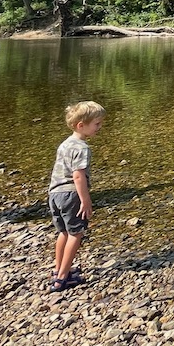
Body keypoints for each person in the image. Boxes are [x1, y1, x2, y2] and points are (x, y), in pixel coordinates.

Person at [48, 100, 105, 292]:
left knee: (63, 232)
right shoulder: (82, 148)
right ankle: (63, 279)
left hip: (55, 194)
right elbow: (78, 175)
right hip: (71, 194)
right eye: (97, 124)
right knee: (76, 233)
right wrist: (85, 199)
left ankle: (59, 270)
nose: (100, 127)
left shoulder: (65, 144)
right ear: (81, 125)